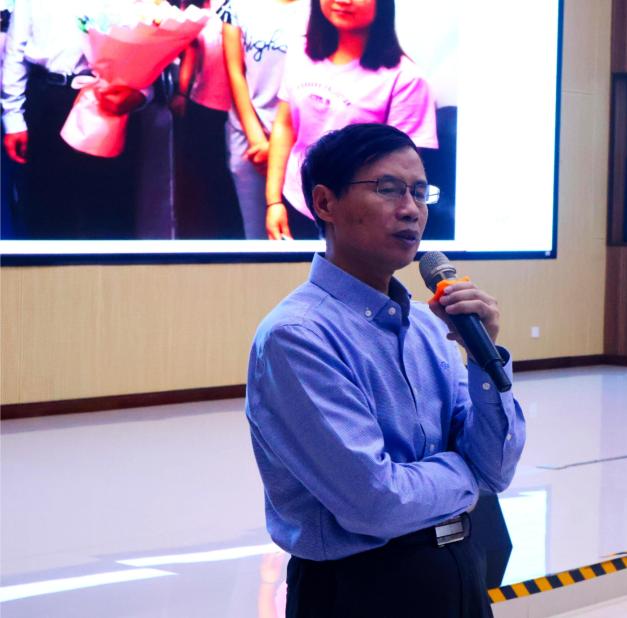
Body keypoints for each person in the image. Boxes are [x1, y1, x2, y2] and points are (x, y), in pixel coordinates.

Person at [248, 123, 526, 617]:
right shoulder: (298, 336)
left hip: (460, 571)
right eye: (389, 189)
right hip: (361, 589)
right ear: (325, 203)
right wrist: (466, 473)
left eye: (420, 192)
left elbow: (497, 467)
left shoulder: (429, 326)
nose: (411, 209)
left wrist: (483, 357)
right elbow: (376, 503)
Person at [264, 0, 438, 240]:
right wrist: (273, 201)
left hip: (358, 221)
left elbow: (403, 168)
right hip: (296, 203)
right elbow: (285, 125)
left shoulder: (406, 79)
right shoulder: (301, 51)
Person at [1, 0, 148, 239]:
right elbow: (15, 53)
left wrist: (141, 94)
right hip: (48, 98)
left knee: (107, 212)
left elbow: (144, 43)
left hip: (107, 100)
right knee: (46, 212)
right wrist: (13, 118)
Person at [219, 0, 308, 239]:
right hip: (250, 137)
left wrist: (280, 146)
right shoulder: (236, 6)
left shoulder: (321, 8)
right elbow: (234, 72)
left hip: (301, 136)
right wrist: (257, 139)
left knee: (304, 232)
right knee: (258, 234)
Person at [171, 0, 244, 238]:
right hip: (202, 103)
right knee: (210, 179)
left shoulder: (243, 8)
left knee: (236, 180)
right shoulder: (194, 8)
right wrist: (182, 92)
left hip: (240, 110)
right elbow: (191, 51)